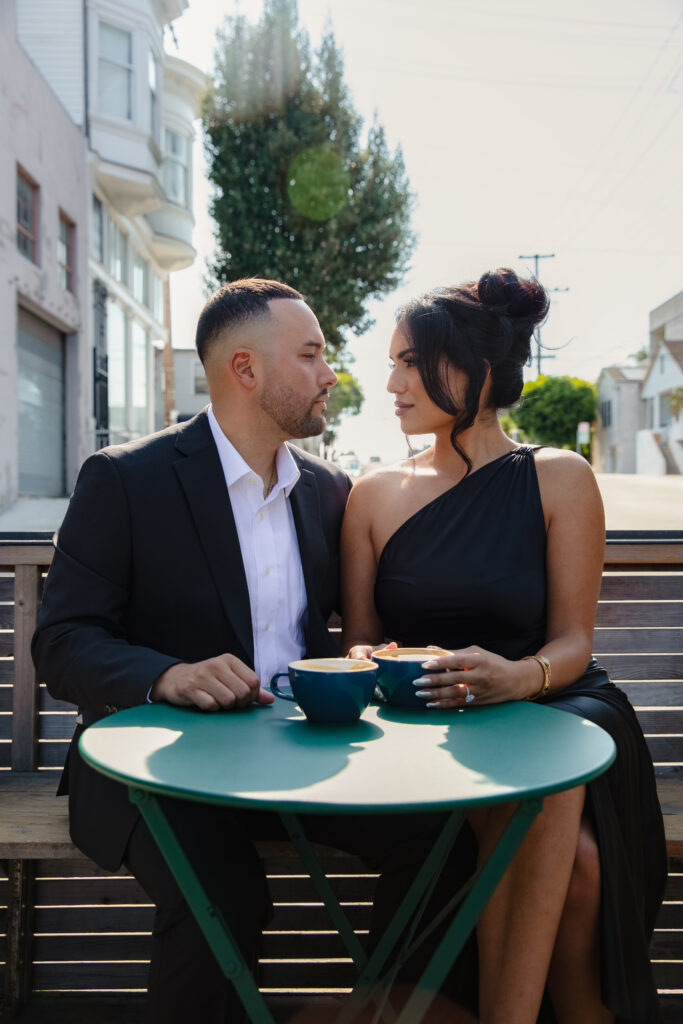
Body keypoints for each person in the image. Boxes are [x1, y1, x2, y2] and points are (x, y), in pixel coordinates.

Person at [32, 279, 478, 1024]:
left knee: (446, 841)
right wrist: (168, 675)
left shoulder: (330, 491)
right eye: (309, 355)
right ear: (244, 370)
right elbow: (62, 642)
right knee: (222, 888)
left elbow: (356, 636)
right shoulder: (125, 479)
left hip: (302, 760)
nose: (329, 374)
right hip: (158, 767)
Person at [341, 268, 667, 1024]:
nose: (391, 380)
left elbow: (573, 641)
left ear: (479, 370)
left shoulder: (557, 477)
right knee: (574, 862)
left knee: (554, 781)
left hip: (558, 702)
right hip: (425, 717)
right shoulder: (372, 494)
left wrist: (517, 678)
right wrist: (392, 665)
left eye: (410, 361)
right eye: (391, 360)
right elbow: (357, 645)